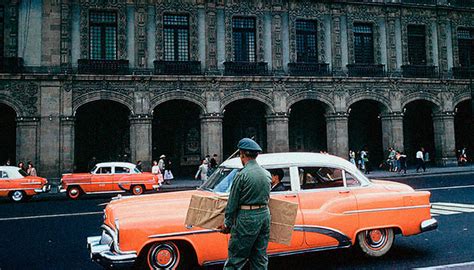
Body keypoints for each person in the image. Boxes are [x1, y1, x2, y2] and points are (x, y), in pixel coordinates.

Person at [217, 138, 271, 270]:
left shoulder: (242, 175)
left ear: (242, 154)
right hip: (264, 216)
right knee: (260, 258)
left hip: (247, 218)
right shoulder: (266, 174)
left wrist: (227, 223)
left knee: (236, 259)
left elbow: (232, 202)